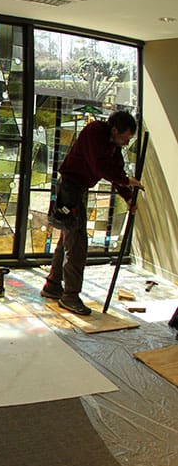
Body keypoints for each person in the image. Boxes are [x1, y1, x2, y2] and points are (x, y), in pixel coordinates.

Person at [41, 110, 143, 315]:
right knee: (77, 243)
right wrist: (127, 181)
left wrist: (128, 196)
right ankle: (70, 296)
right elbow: (101, 167)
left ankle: (52, 285)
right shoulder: (94, 132)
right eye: (124, 137)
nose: (125, 143)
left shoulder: (113, 144)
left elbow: (116, 171)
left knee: (68, 238)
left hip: (78, 189)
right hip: (69, 189)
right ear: (115, 129)